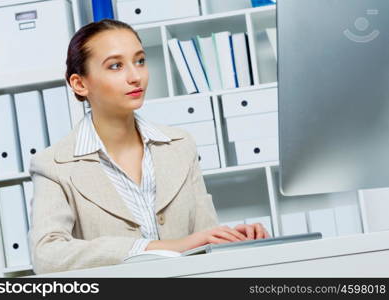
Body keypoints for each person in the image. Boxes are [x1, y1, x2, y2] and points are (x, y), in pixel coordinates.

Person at [28, 19, 270, 275]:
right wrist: (159, 248)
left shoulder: (180, 145)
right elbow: (47, 256)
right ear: (80, 84)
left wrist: (232, 240)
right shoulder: (54, 165)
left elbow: (202, 240)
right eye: (116, 66)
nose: (135, 76)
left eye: (140, 61)